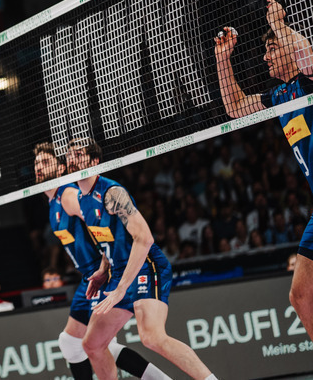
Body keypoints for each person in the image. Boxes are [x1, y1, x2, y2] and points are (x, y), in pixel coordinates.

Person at [70, 141, 217, 380]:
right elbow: (107, 239)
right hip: (119, 273)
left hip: (146, 267)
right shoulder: (81, 199)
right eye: (69, 155)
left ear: (94, 161)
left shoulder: (111, 193)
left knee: (152, 337)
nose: (72, 159)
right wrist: (102, 269)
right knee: (92, 344)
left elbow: (144, 238)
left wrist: (120, 288)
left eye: (78, 154)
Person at [215, 0, 313, 341]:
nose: (265, 56)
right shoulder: (280, 95)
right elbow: (236, 107)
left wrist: (279, 25)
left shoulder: (308, 83)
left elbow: (310, 58)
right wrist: (222, 59)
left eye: (272, 49)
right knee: (301, 296)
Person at [34, 142, 171, 380]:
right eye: (36, 163)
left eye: (45, 162)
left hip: (103, 273)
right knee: (74, 342)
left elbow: (96, 214)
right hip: (88, 279)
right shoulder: (51, 204)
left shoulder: (67, 196)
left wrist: (106, 263)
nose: (38, 167)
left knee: (93, 344)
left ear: (59, 167)